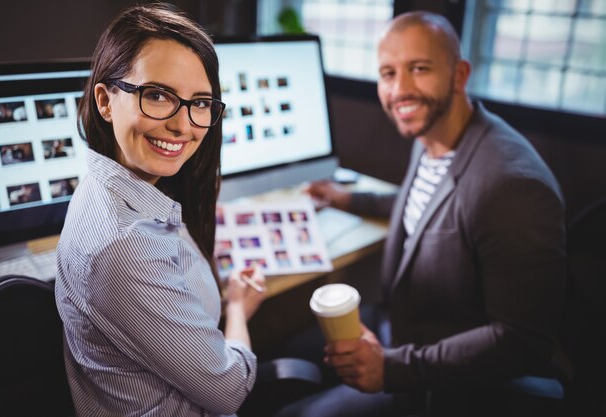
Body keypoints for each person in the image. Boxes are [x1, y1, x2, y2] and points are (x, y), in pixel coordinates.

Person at [280, 11, 565, 417]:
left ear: (459, 74)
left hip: (438, 374)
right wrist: (351, 200)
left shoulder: (513, 186)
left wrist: (392, 368)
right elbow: (432, 208)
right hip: (402, 324)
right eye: (388, 73)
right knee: (292, 353)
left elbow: (522, 341)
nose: (400, 90)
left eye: (419, 69)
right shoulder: (435, 133)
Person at [55, 4, 266, 416]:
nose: (183, 125)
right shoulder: (123, 247)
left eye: (200, 103)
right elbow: (229, 390)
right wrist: (239, 308)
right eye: (156, 95)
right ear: (105, 101)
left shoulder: (111, 187)